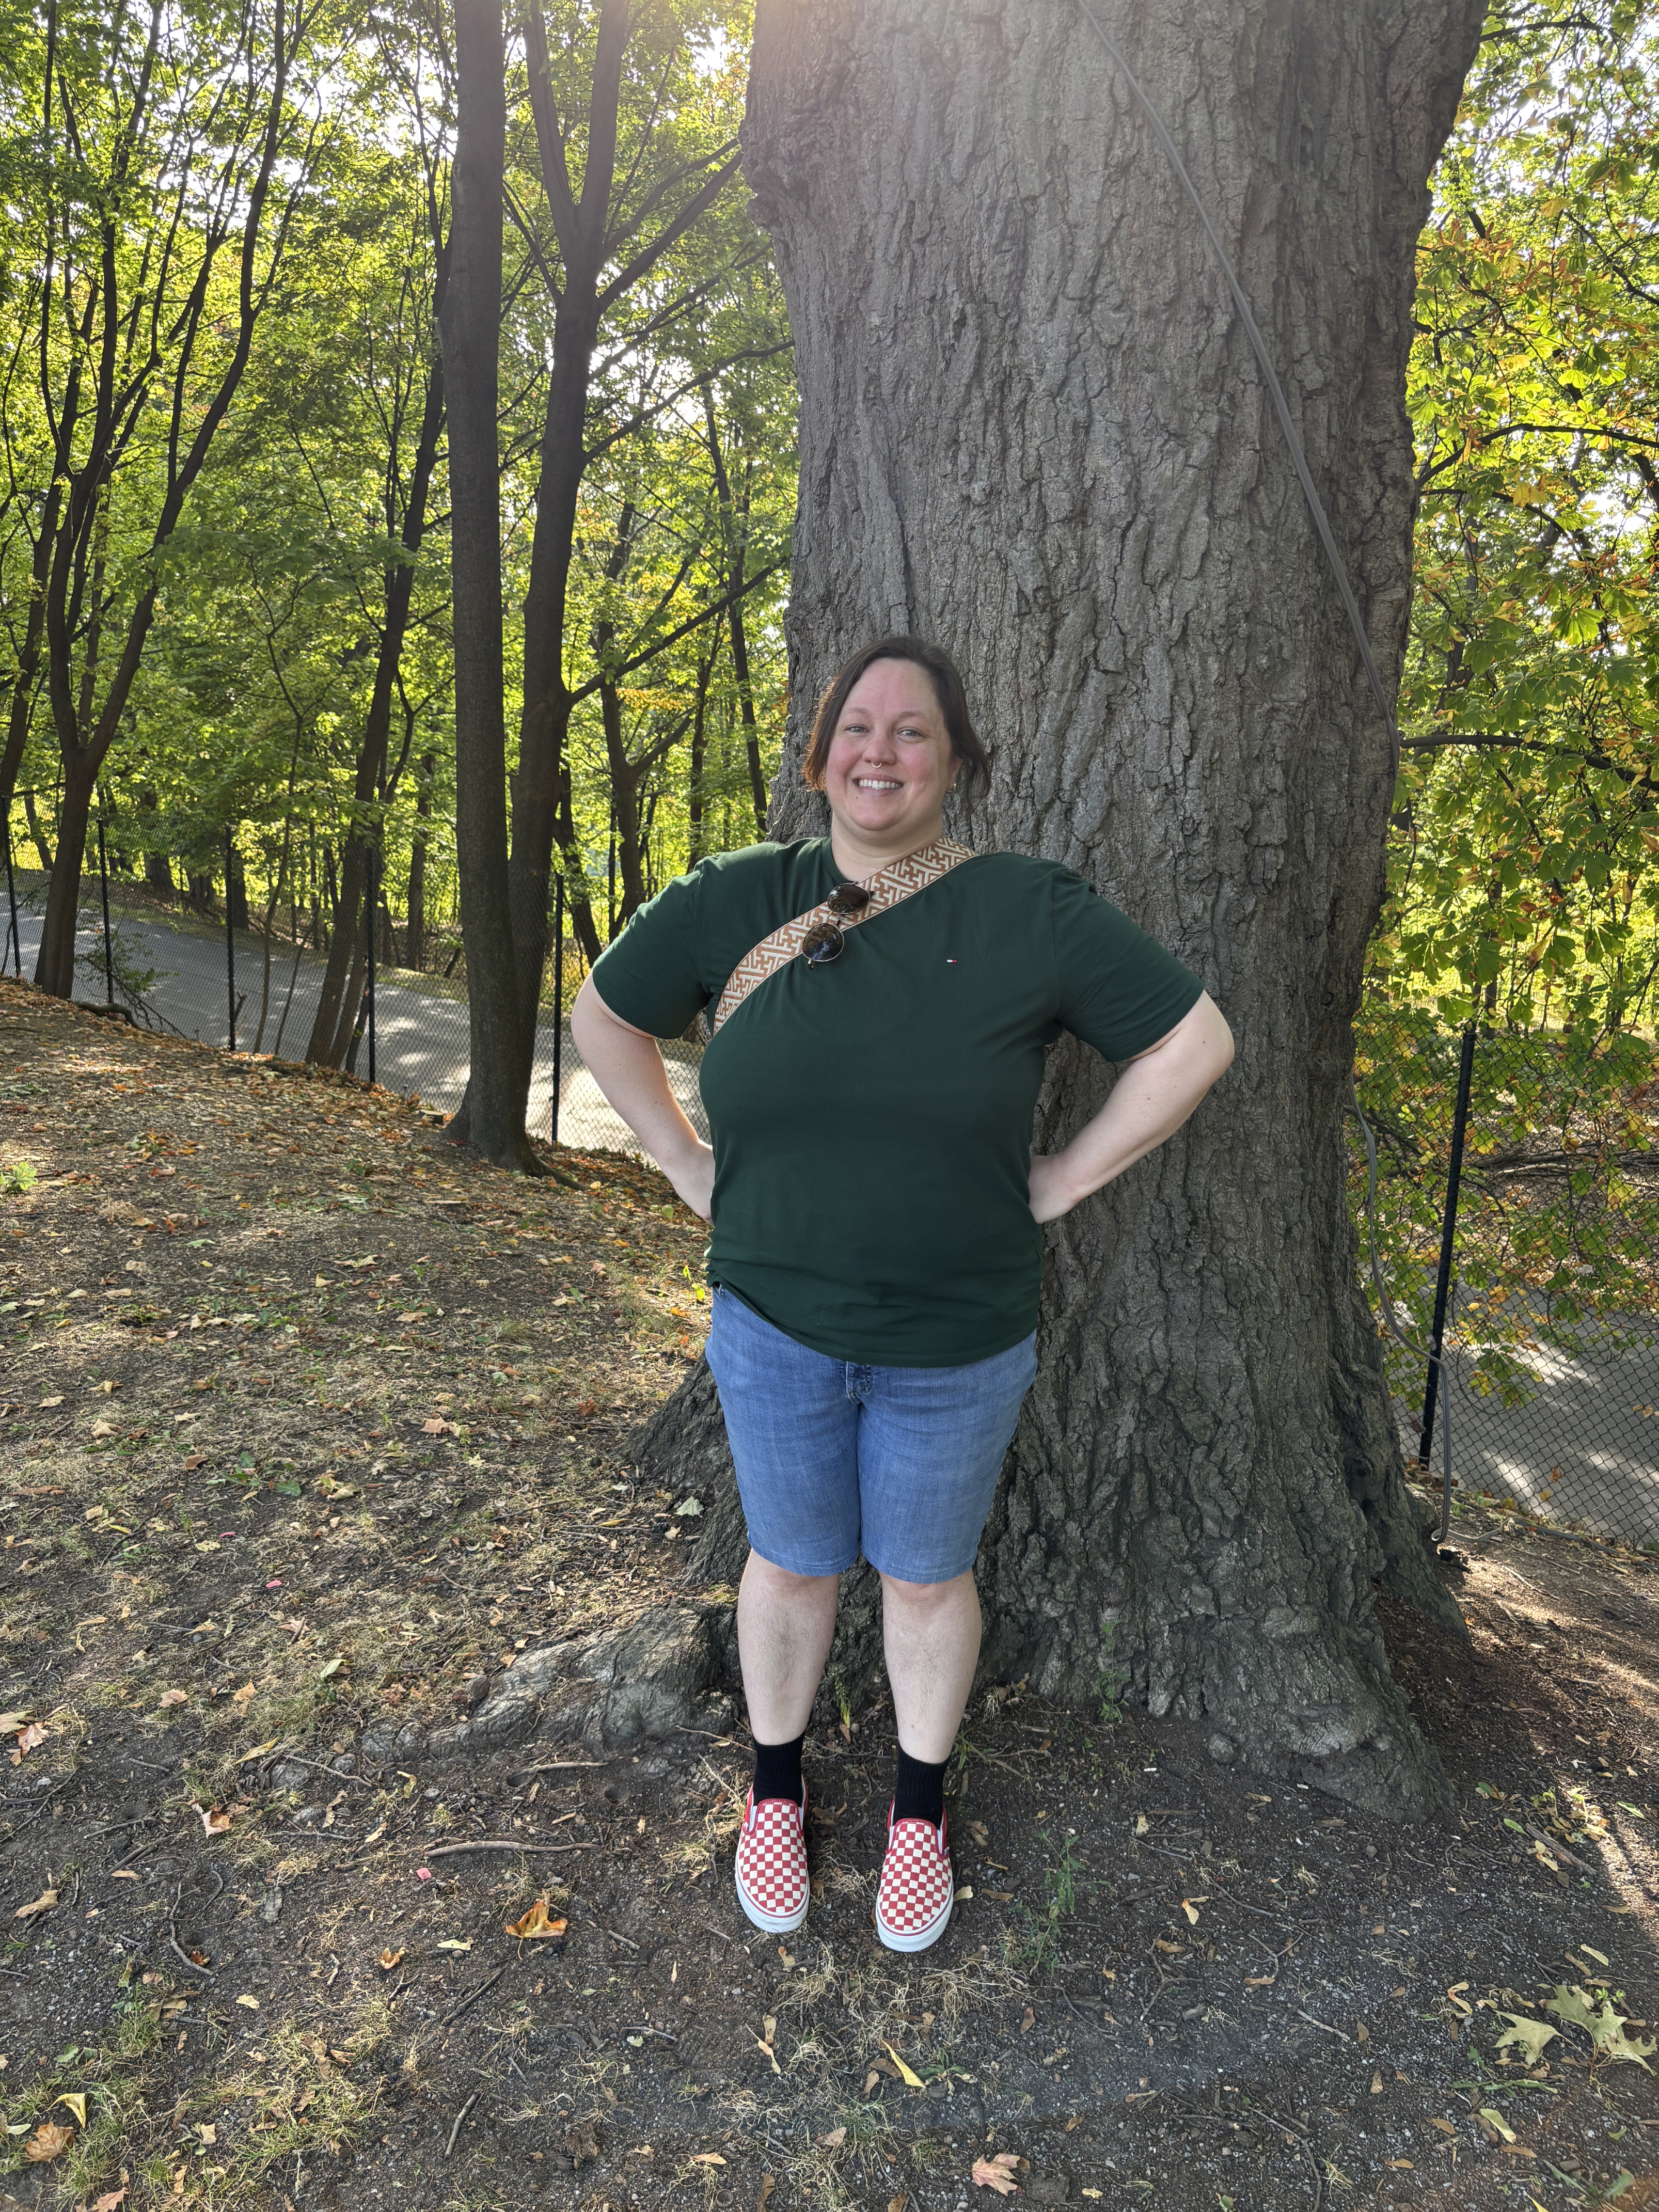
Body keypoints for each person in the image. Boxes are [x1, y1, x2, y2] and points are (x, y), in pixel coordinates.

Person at [571, 636, 1233, 1953]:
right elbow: (602, 1018)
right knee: (792, 1561)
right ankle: (775, 1788)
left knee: (926, 1581)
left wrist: (1060, 1181)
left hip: (958, 1336)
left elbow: (1192, 1042)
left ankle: (915, 1816)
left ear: (956, 761)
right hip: (771, 1322)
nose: (880, 751)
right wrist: (686, 1168)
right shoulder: (733, 899)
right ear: (816, 757)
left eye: (913, 730)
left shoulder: (1025, 910)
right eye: (856, 727)